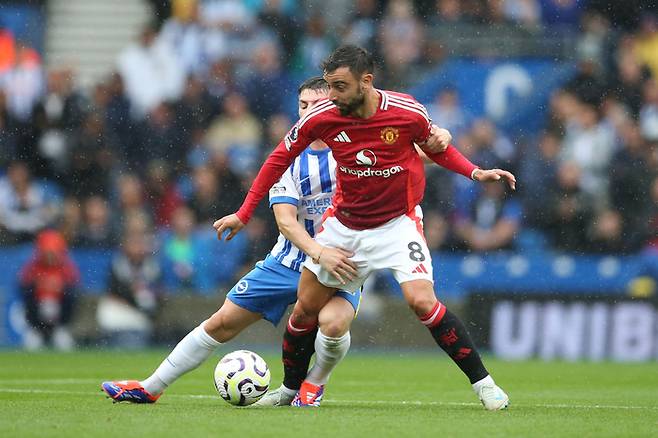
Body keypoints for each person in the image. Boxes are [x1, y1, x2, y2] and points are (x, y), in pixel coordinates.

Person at [214, 45, 516, 410]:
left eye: (340, 87)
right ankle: (291, 391)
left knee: (422, 301)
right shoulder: (322, 117)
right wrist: (245, 213)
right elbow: (278, 159)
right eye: (329, 85)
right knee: (304, 311)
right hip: (343, 227)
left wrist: (474, 171)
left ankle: (484, 385)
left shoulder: (406, 111)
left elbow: (435, 146)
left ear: (366, 81)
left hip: (397, 225)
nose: (332, 96)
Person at [100, 78, 365, 403]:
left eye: (316, 104)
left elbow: (403, 155)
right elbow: (285, 221)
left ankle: (313, 384)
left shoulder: (356, 150)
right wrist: (317, 252)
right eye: (303, 105)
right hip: (289, 261)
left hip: (340, 262)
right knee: (222, 322)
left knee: (333, 324)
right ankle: (150, 387)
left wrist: (433, 144)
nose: (308, 111)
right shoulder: (287, 157)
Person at [20, 229, 79, 351]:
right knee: (31, 347)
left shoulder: (66, 268)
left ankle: (60, 330)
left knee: (65, 345)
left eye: (53, 252)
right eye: (47, 252)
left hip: (60, 323)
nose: (50, 256)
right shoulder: (33, 268)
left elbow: (73, 294)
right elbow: (25, 292)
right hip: (36, 323)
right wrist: (40, 286)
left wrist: (60, 288)